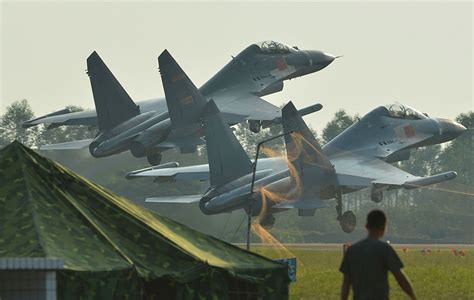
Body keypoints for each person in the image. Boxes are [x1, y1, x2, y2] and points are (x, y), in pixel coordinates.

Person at [339, 209, 416, 300]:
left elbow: (346, 283)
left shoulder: (352, 251)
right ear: (384, 228)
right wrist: (413, 297)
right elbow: (400, 278)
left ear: (366, 226)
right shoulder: (385, 249)